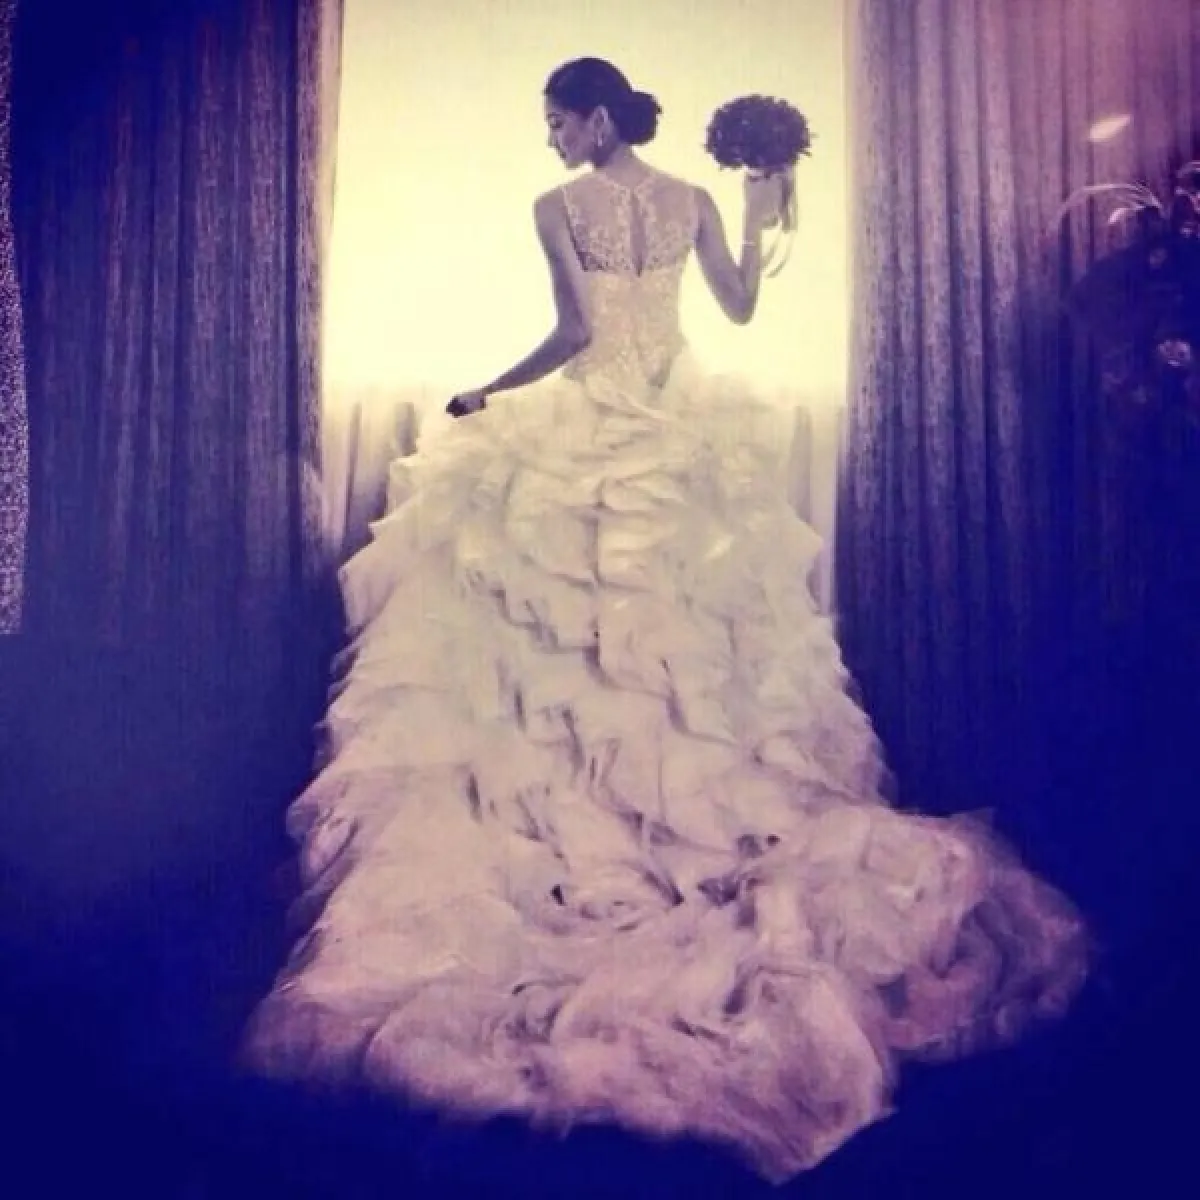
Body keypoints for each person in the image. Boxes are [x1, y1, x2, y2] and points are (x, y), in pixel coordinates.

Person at [243, 58, 1088, 1183]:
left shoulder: (560, 206)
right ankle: (677, 845)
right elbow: (735, 307)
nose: (551, 140)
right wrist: (760, 207)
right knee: (681, 652)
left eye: (556, 121)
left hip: (592, 420)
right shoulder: (690, 199)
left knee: (566, 648)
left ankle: (579, 842)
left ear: (597, 119)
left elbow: (571, 337)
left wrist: (487, 390)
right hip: (675, 429)